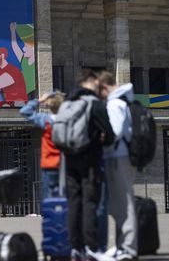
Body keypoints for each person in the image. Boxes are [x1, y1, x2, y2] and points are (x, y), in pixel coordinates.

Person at [64, 69, 115, 261]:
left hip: (69, 160)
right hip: (90, 160)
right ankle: (92, 248)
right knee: (90, 203)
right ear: (91, 81)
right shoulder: (95, 104)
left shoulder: (68, 102)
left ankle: (75, 248)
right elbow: (109, 135)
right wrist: (101, 140)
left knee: (74, 203)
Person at [98, 71, 138, 261]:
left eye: (100, 92)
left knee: (124, 204)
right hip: (121, 156)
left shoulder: (114, 104)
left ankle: (128, 248)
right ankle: (123, 246)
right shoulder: (123, 102)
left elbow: (115, 132)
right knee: (121, 204)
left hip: (117, 157)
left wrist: (98, 138)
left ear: (105, 87)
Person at [19, 90, 65, 200]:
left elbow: (25, 111)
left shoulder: (45, 120)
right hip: (67, 162)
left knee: (49, 195)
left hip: (50, 162)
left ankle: (50, 216)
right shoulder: (69, 120)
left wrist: (39, 100)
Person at [9, 22, 36, 96]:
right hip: (26, 93)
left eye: (26, 47)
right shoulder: (23, 60)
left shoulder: (37, 61)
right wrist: (13, 31)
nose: (23, 48)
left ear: (34, 49)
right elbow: (15, 46)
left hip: (35, 92)